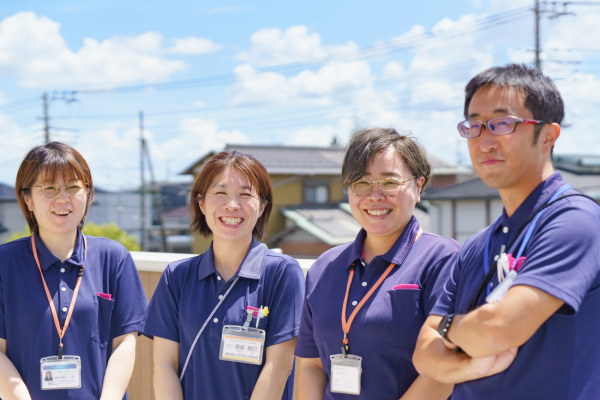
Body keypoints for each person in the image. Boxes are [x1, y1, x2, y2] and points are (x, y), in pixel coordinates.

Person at [413, 64, 600, 399]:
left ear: (548, 135)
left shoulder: (575, 221)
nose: (485, 141)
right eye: (475, 125)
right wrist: (469, 364)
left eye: (502, 123)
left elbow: (500, 329)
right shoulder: (478, 245)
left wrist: (449, 331)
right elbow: (424, 353)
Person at [294, 128, 460, 399]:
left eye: (390, 182)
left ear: (418, 186)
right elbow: (311, 364)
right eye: (361, 182)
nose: (375, 195)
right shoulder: (325, 267)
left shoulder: (445, 260)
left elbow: (443, 371)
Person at [140, 150, 305, 399]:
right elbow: (165, 365)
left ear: (262, 206)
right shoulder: (176, 277)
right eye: (221, 193)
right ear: (202, 204)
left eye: (245, 195)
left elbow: (279, 366)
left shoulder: (282, 273)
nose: (232, 205)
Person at [0, 142, 148, 399]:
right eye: (49, 188)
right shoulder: (5, 262)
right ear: (27, 199)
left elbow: (125, 341)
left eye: (73, 187)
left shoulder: (113, 257)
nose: (62, 199)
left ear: (88, 195)